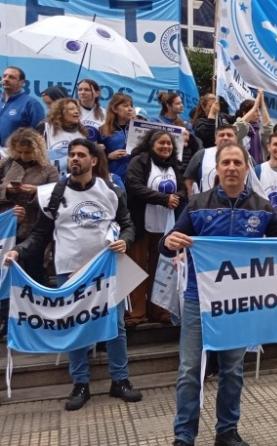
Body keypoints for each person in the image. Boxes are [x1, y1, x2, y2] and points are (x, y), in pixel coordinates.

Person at [160, 141, 277, 446]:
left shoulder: (262, 207)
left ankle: (227, 432)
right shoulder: (197, 204)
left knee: (233, 371)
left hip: (239, 304)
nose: (232, 168)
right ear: (217, 169)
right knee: (189, 371)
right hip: (199, 299)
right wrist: (170, 242)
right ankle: (183, 437)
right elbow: (168, 242)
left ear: (247, 168)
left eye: (238, 163)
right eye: (226, 163)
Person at [4, 138, 140, 411]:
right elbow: (40, 234)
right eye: (71, 154)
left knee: (116, 326)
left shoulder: (111, 190)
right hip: (69, 271)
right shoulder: (54, 194)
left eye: (81, 155)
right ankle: (80, 383)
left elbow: (127, 225)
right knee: (75, 327)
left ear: (93, 160)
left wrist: (125, 240)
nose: (74, 159)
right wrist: (18, 251)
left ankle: (120, 380)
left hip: (105, 270)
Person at [0, 129, 58, 335]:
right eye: (20, 152)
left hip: (35, 229)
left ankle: (38, 319)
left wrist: (34, 193)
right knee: (6, 276)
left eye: (28, 152)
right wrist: (8, 193)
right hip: (7, 228)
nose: (24, 157)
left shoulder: (48, 169)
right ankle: (8, 323)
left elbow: (55, 197)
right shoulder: (6, 165)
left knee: (34, 273)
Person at [124, 130, 185, 327]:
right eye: (161, 143)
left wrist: (177, 198)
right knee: (138, 268)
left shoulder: (175, 165)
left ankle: (159, 310)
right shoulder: (139, 161)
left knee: (161, 271)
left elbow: (184, 189)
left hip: (166, 228)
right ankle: (136, 313)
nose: (166, 147)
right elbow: (134, 186)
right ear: (151, 144)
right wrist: (163, 199)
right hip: (141, 226)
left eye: (169, 144)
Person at [36, 98, 88, 179]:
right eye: (71, 109)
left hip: (73, 179)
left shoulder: (82, 132)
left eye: (77, 109)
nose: (76, 111)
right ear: (61, 112)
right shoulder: (46, 127)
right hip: (48, 178)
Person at [0, 66, 45, 146]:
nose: (6, 79)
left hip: (16, 155)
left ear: (22, 82)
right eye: (4, 76)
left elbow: (39, 134)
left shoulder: (31, 104)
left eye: (11, 77)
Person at [95, 93, 134, 179]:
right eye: (125, 106)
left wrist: (136, 123)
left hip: (135, 176)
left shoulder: (138, 128)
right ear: (115, 109)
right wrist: (108, 156)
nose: (130, 109)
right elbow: (94, 156)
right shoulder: (102, 130)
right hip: (113, 176)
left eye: (131, 106)